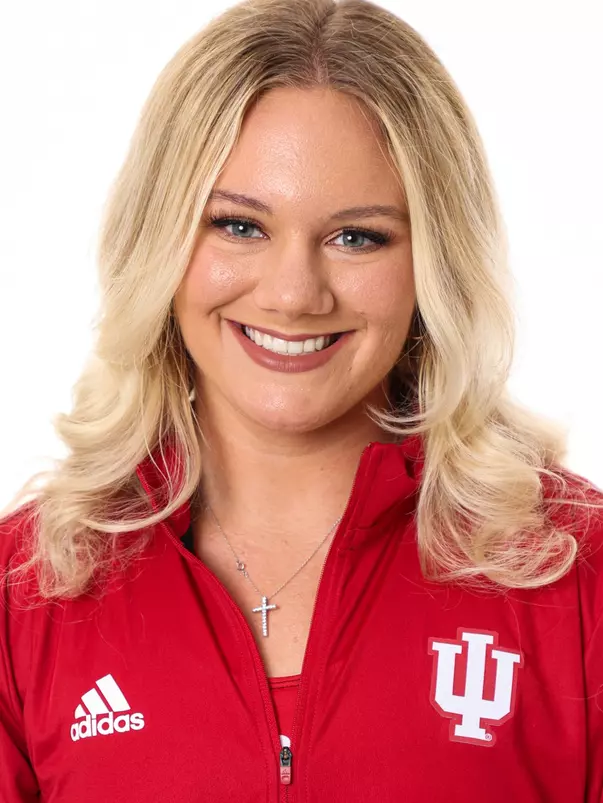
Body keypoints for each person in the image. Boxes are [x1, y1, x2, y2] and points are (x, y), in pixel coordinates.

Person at [1, 0, 602, 800]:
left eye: (357, 236)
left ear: (434, 264)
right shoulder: (28, 594)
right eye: (238, 226)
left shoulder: (571, 575)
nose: (292, 294)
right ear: (160, 241)